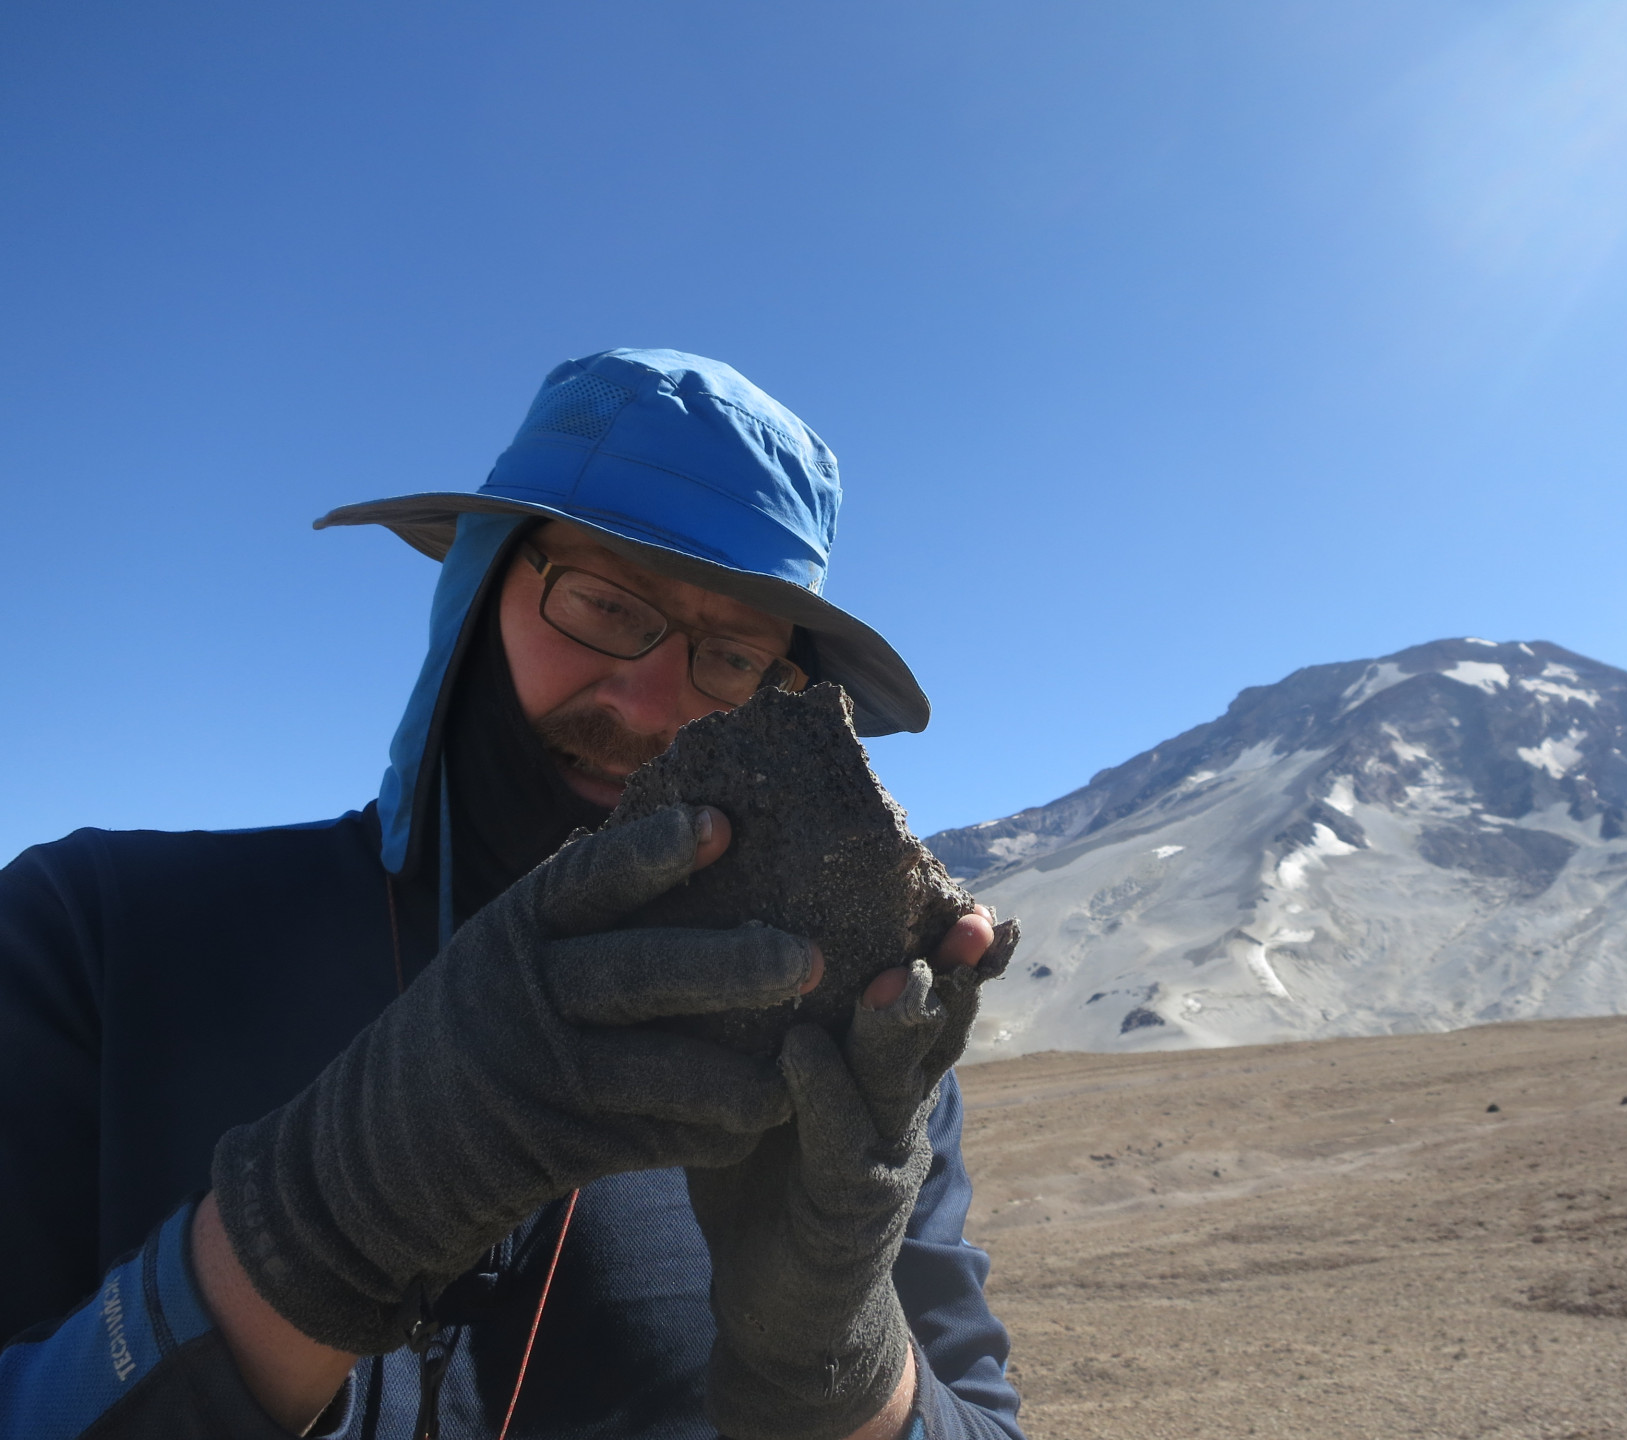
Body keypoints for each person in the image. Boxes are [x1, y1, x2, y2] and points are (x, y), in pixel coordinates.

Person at [0, 349, 1024, 1440]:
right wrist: (316, 1228)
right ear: (480, 588)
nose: (649, 707)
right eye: (604, 602)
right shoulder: (97, 933)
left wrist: (840, 1367)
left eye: (732, 659)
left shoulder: (847, 1057)